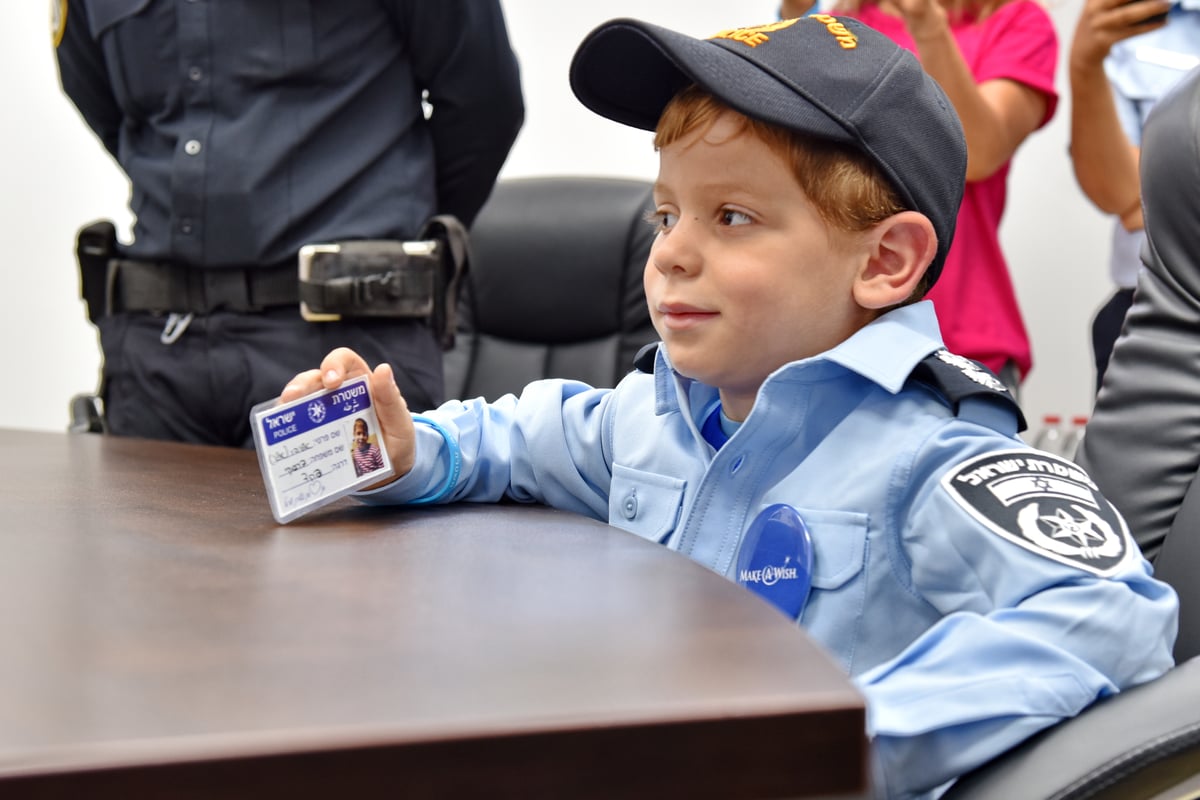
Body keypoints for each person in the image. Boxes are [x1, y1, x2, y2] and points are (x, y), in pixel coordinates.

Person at [279, 17, 1177, 799]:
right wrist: (408, 450)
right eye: (667, 214)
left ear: (886, 264)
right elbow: (511, 438)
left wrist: (836, 741)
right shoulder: (649, 418)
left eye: (733, 217)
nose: (670, 254)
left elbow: (1110, 617)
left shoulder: (939, 459)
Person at [52, 0, 524, 447]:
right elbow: (106, 107)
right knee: (130, 535)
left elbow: (485, 105)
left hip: (339, 347)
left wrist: (387, 240)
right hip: (158, 353)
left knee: (346, 536)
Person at [780, 0, 1057, 399]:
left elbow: (977, 153)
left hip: (958, 338)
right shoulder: (838, 22)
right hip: (831, 335)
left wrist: (927, 26)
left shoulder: (1015, 20)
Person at [1067, 0, 1200, 391]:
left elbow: (1147, 194)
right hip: (1156, 314)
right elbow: (1122, 196)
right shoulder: (1132, 16)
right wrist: (1084, 66)